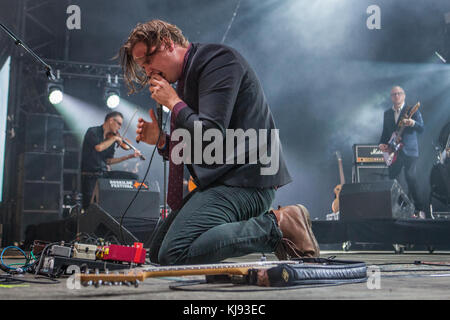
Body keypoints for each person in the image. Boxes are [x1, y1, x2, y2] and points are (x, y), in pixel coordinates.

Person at [118, 19, 319, 265]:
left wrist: (173, 103)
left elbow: (210, 132)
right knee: (159, 252)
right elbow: (205, 148)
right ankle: (271, 226)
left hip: (249, 181)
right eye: (142, 66)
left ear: (167, 43)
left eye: (148, 61)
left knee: (175, 252)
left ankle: (279, 224)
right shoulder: (186, 81)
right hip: (222, 180)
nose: (148, 71)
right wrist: (161, 141)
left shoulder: (219, 62)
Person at [378, 86, 425, 218]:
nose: (397, 96)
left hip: (409, 150)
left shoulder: (412, 110)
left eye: (399, 93)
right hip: (394, 152)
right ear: (391, 97)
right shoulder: (387, 113)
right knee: (394, 181)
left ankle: (420, 209)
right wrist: (382, 144)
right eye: (394, 94)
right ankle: (402, 210)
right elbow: (385, 133)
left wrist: (412, 123)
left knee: (411, 178)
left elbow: (422, 128)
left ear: (404, 95)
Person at [80, 111, 142, 211]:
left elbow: (108, 161)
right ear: (111, 120)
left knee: (133, 177)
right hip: (90, 176)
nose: (120, 128)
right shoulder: (92, 131)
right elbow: (99, 148)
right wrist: (114, 139)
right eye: (119, 124)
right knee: (89, 208)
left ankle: (127, 209)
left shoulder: (112, 138)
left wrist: (129, 156)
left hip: (104, 174)